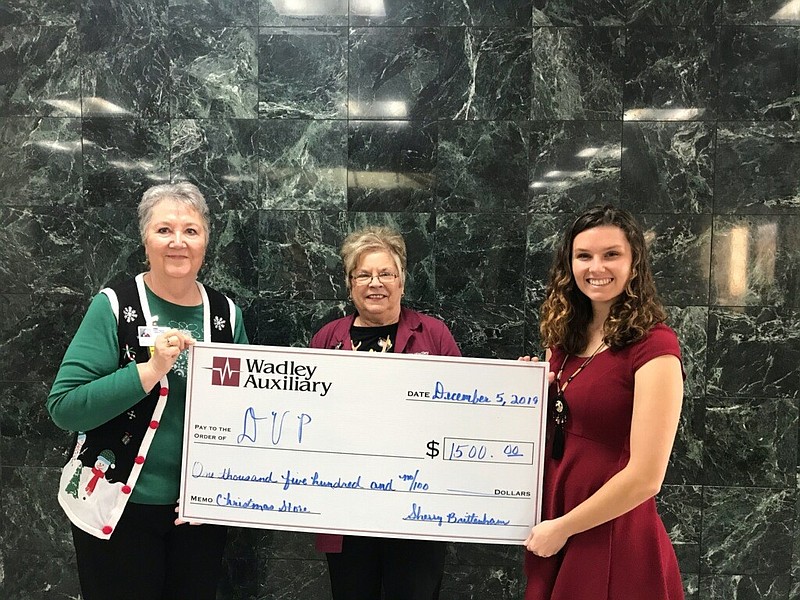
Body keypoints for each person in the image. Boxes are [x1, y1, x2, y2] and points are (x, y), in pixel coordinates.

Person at [47, 182, 249, 600]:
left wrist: (215, 492)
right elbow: (65, 407)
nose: (178, 242)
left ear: (206, 240)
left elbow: (243, 412)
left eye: (191, 230)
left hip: (195, 516)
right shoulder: (114, 306)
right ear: (145, 239)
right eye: (165, 230)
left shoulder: (226, 315)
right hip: (117, 509)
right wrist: (151, 369)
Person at [522, 205, 685, 599]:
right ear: (569, 264)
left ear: (634, 263)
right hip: (557, 516)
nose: (597, 267)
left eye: (611, 254)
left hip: (609, 529)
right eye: (584, 256)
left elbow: (647, 477)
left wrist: (564, 528)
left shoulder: (655, 346)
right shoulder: (564, 337)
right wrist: (527, 395)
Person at [310, 225, 461, 600]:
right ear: (350, 285)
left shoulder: (434, 335)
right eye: (363, 274)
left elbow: (463, 409)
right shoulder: (327, 340)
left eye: (385, 274)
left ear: (402, 282)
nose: (375, 283)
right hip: (347, 509)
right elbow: (309, 418)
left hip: (417, 506)